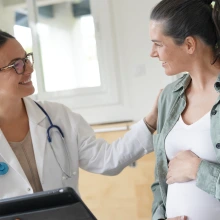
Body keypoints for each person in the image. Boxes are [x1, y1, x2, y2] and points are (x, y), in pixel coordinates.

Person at [0, 30, 160, 199]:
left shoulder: (57, 116)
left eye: (26, 59)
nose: (30, 68)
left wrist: (151, 121)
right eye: (16, 64)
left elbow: (106, 159)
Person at [149, 0, 220, 219]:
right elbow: (159, 181)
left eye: (159, 44)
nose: (153, 53)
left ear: (189, 45)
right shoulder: (169, 97)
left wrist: (198, 170)